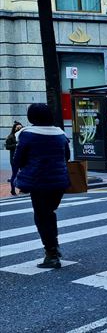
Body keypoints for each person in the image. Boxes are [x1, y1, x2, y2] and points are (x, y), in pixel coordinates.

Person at [14, 104, 70, 268]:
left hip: (38, 182)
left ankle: (51, 254)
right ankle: (54, 245)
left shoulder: (28, 135)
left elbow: (18, 159)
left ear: (32, 117)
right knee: (49, 213)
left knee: (41, 216)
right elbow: (66, 156)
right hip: (59, 182)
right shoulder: (60, 134)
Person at [5, 121, 23, 195]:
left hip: (22, 158)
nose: (19, 129)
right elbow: (7, 147)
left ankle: (22, 189)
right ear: (14, 128)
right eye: (18, 127)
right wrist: (16, 145)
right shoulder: (11, 136)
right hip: (14, 159)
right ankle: (12, 190)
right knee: (14, 174)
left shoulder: (22, 135)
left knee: (23, 173)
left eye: (21, 127)